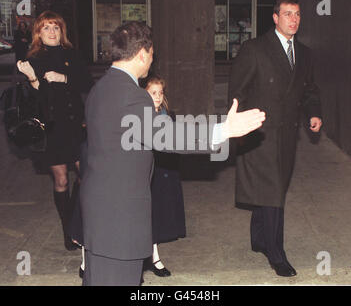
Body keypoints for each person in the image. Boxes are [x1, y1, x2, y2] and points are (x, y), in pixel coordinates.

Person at [80, 21, 266, 286]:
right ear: (142, 53)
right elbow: (166, 135)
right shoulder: (133, 96)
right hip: (119, 219)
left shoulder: (100, 88)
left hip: (99, 212)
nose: (152, 61)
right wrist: (222, 130)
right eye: (152, 54)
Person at [228, 0, 322, 277]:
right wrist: (238, 127)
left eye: (297, 14)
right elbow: (238, 91)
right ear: (275, 18)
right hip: (261, 132)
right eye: (287, 14)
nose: (293, 19)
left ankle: (258, 238)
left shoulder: (304, 53)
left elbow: (309, 90)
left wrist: (313, 113)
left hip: (288, 135)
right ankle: (276, 253)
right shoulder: (254, 49)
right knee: (273, 194)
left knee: (274, 187)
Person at [16, 11, 94, 251]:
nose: (52, 32)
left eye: (56, 28)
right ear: (38, 33)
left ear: (62, 31)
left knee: (86, 175)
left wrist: (64, 77)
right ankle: (67, 229)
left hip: (75, 125)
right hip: (51, 128)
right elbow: (33, 101)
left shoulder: (72, 54)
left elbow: (87, 83)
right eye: (46, 28)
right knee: (61, 179)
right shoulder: (33, 59)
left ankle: (76, 221)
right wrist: (31, 79)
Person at [142, 75, 186, 277]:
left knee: (155, 213)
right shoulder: (141, 113)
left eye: (160, 93)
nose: (158, 97)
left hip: (160, 169)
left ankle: (154, 257)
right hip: (143, 169)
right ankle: (142, 259)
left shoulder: (165, 113)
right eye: (153, 93)